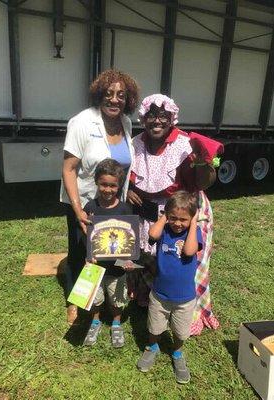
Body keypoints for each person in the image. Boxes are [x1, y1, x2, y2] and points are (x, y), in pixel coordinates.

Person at [127, 94, 222, 335]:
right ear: (143, 118)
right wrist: (127, 188)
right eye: (151, 115)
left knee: (187, 262)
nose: (156, 121)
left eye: (162, 116)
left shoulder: (184, 143)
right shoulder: (135, 143)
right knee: (155, 260)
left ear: (172, 119)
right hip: (151, 214)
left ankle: (189, 313)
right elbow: (125, 174)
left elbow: (204, 182)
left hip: (184, 212)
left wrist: (204, 162)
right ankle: (153, 303)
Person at [60, 70, 139, 325]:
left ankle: (108, 298)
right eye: (109, 94)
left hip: (114, 202)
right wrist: (78, 210)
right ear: (99, 95)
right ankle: (75, 300)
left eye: (121, 95)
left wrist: (129, 192)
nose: (114, 100)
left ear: (128, 99)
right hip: (84, 202)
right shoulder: (81, 122)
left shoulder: (126, 123)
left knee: (107, 249)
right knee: (80, 254)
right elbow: (69, 169)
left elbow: (124, 165)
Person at [137, 191, 203, 383]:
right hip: (159, 294)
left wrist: (193, 224)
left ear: (191, 219)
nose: (177, 223)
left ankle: (177, 352)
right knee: (154, 326)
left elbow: (189, 251)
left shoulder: (194, 233)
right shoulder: (164, 230)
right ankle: (152, 347)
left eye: (183, 219)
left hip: (184, 298)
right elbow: (152, 233)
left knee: (181, 331)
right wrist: (165, 215)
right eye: (173, 218)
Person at [83, 159, 134, 347]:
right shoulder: (90, 208)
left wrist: (128, 258)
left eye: (113, 185)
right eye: (104, 184)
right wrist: (89, 255)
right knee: (95, 299)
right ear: (96, 182)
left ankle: (116, 323)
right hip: (95, 266)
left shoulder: (125, 209)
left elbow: (130, 238)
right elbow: (85, 236)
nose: (108, 189)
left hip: (117, 268)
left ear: (119, 186)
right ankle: (95, 321)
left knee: (117, 299)